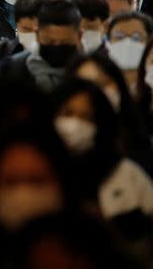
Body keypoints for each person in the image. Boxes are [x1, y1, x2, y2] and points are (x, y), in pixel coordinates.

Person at [53, 78, 153, 240]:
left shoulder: (126, 174)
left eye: (87, 117)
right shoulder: (37, 172)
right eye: (67, 113)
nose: (75, 124)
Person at [3, 0, 82, 93]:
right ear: (37, 35)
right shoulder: (15, 69)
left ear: (79, 36)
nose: (57, 46)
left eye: (64, 42)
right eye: (50, 41)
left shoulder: (92, 71)